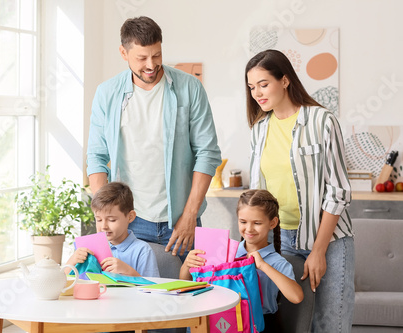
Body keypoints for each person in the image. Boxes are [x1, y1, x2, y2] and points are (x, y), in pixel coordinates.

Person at [86, 16, 221, 259]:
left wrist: (190, 215)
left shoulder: (189, 87)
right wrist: (105, 216)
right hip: (130, 221)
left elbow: (208, 153)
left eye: (156, 55)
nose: (151, 64)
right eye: (142, 58)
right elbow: (96, 156)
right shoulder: (107, 93)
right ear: (123, 53)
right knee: (129, 295)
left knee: (188, 293)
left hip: (182, 218)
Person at [245, 49, 355, 332]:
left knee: (330, 323)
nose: (257, 93)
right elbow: (259, 195)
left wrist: (318, 250)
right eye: (251, 87)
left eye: (263, 84)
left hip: (328, 240)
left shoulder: (321, 121)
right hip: (282, 241)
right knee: (290, 323)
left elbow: (338, 190)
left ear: (284, 80)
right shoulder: (259, 129)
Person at [180, 190, 303, 332]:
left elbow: (296, 297)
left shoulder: (276, 262)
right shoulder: (225, 252)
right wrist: (187, 265)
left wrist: (263, 265)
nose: (249, 229)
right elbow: (188, 286)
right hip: (224, 320)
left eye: (257, 223)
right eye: (243, 222)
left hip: (262, 324)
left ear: (272, 222)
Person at [65, 182, 159, 277]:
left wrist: (128, 271)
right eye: (99, 220)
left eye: (112, 220)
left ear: (130, 217)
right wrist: (73, 260)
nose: (104, 226)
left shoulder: (143, 251)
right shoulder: (91, 247)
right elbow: (62, 281)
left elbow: (153, 288)